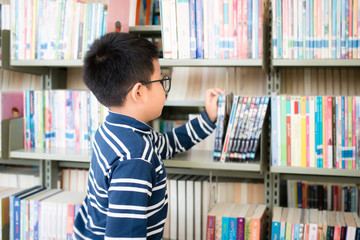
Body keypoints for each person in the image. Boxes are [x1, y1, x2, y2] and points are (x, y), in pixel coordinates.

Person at [73, 32, 224, 239]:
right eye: (161, 80)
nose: (165, 87)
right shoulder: (135, 158)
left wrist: (208, 118)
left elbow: (168, 143)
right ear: (139, 92)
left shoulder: (113, 129)